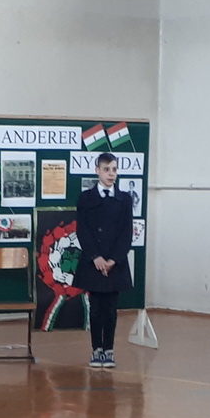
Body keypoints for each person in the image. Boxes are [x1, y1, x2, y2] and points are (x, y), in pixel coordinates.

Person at [76, 152, 133, 369]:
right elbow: (83, 231)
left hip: (114, 263)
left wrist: (113, 259)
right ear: (97, 171)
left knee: (110, 309)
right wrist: (96, 257)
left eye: (114, 170)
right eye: (107, 169)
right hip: (94, 262)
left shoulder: (124, 199)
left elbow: (126, 233)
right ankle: (96, 349)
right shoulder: (85, 198)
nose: (111, 174)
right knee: (96, 308)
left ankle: (109, 349)